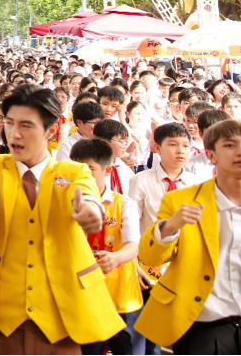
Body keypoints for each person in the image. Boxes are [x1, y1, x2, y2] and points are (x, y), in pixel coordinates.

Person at [0, 84, 125, 353]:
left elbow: (88, 197)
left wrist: (91, 212)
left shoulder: (74, 171)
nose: (14, 133)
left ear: (51, 131)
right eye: (9, 122)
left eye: (26, 125)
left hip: (58, 316)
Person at [135, 119, 241, 354]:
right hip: (202, 322)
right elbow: (151, 257)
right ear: (211, 155)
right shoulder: (180, 201)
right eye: (229, 145)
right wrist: (169, 227)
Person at [69, 138, 143, 356]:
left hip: (120, 296)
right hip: (84, 296)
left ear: (107, 170)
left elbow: (133, 246)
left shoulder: (124, 204)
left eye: (90, 169)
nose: (83, 175)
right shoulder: (65, 204)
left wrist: (116, 258)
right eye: (77, 169)